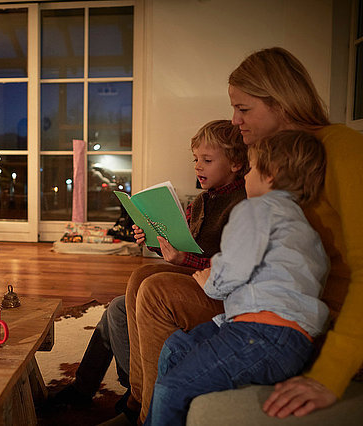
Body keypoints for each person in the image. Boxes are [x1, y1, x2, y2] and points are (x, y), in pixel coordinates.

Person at [121, 46, 363, 425]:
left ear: (281, 102)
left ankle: (154, 411)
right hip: (275, 292)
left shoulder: (341, 151)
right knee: (141, 277)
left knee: (157, 292)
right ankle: (142, 405)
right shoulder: (274, 168)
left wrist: (330, 373)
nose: (234, 121)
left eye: (244, 109)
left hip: (295, 317)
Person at [51, 120, 248, 414]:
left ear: (235, 163)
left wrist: (183, 259)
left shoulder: (242, 202)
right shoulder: (203, 200)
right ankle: (106, 389)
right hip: (193, 276)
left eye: (207, 160)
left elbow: (227, 265)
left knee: (128, 300)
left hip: (217, 287)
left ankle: (132, 396)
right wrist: (154, 240)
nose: (198, 167)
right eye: (196, 159)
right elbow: (184, 246)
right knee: (122, 300)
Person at [144, 130, 328, 425]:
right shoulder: (305, 228)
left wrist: (210, 283)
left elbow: (234, 268)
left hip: (262, 335)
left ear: (273, 174)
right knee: (176, 346)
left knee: (171, 387)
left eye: (252, 168)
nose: (246, 175)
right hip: (292, 341)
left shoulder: (257, 209)